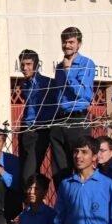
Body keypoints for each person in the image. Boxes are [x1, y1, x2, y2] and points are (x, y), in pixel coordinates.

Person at [48, 27, 96, 180]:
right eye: (64, 42)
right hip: (59, 120)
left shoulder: (86, 63)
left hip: (77, 120)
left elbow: (84, 94)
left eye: (71, 42)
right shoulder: (59, 67)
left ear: (79, 44)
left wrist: (68, 71)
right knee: (59, 169)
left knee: (80, 165)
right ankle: (62, 194)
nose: (67, 45)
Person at [18, 49, 57, 184]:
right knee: (25, 172)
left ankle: (40, 192)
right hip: (25, 130)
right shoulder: (24, 84)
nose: (25, 68)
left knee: (28, 175)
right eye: (22, 64)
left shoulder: (47, 83)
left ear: (36, 65)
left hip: (40, 131)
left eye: (28, 64)